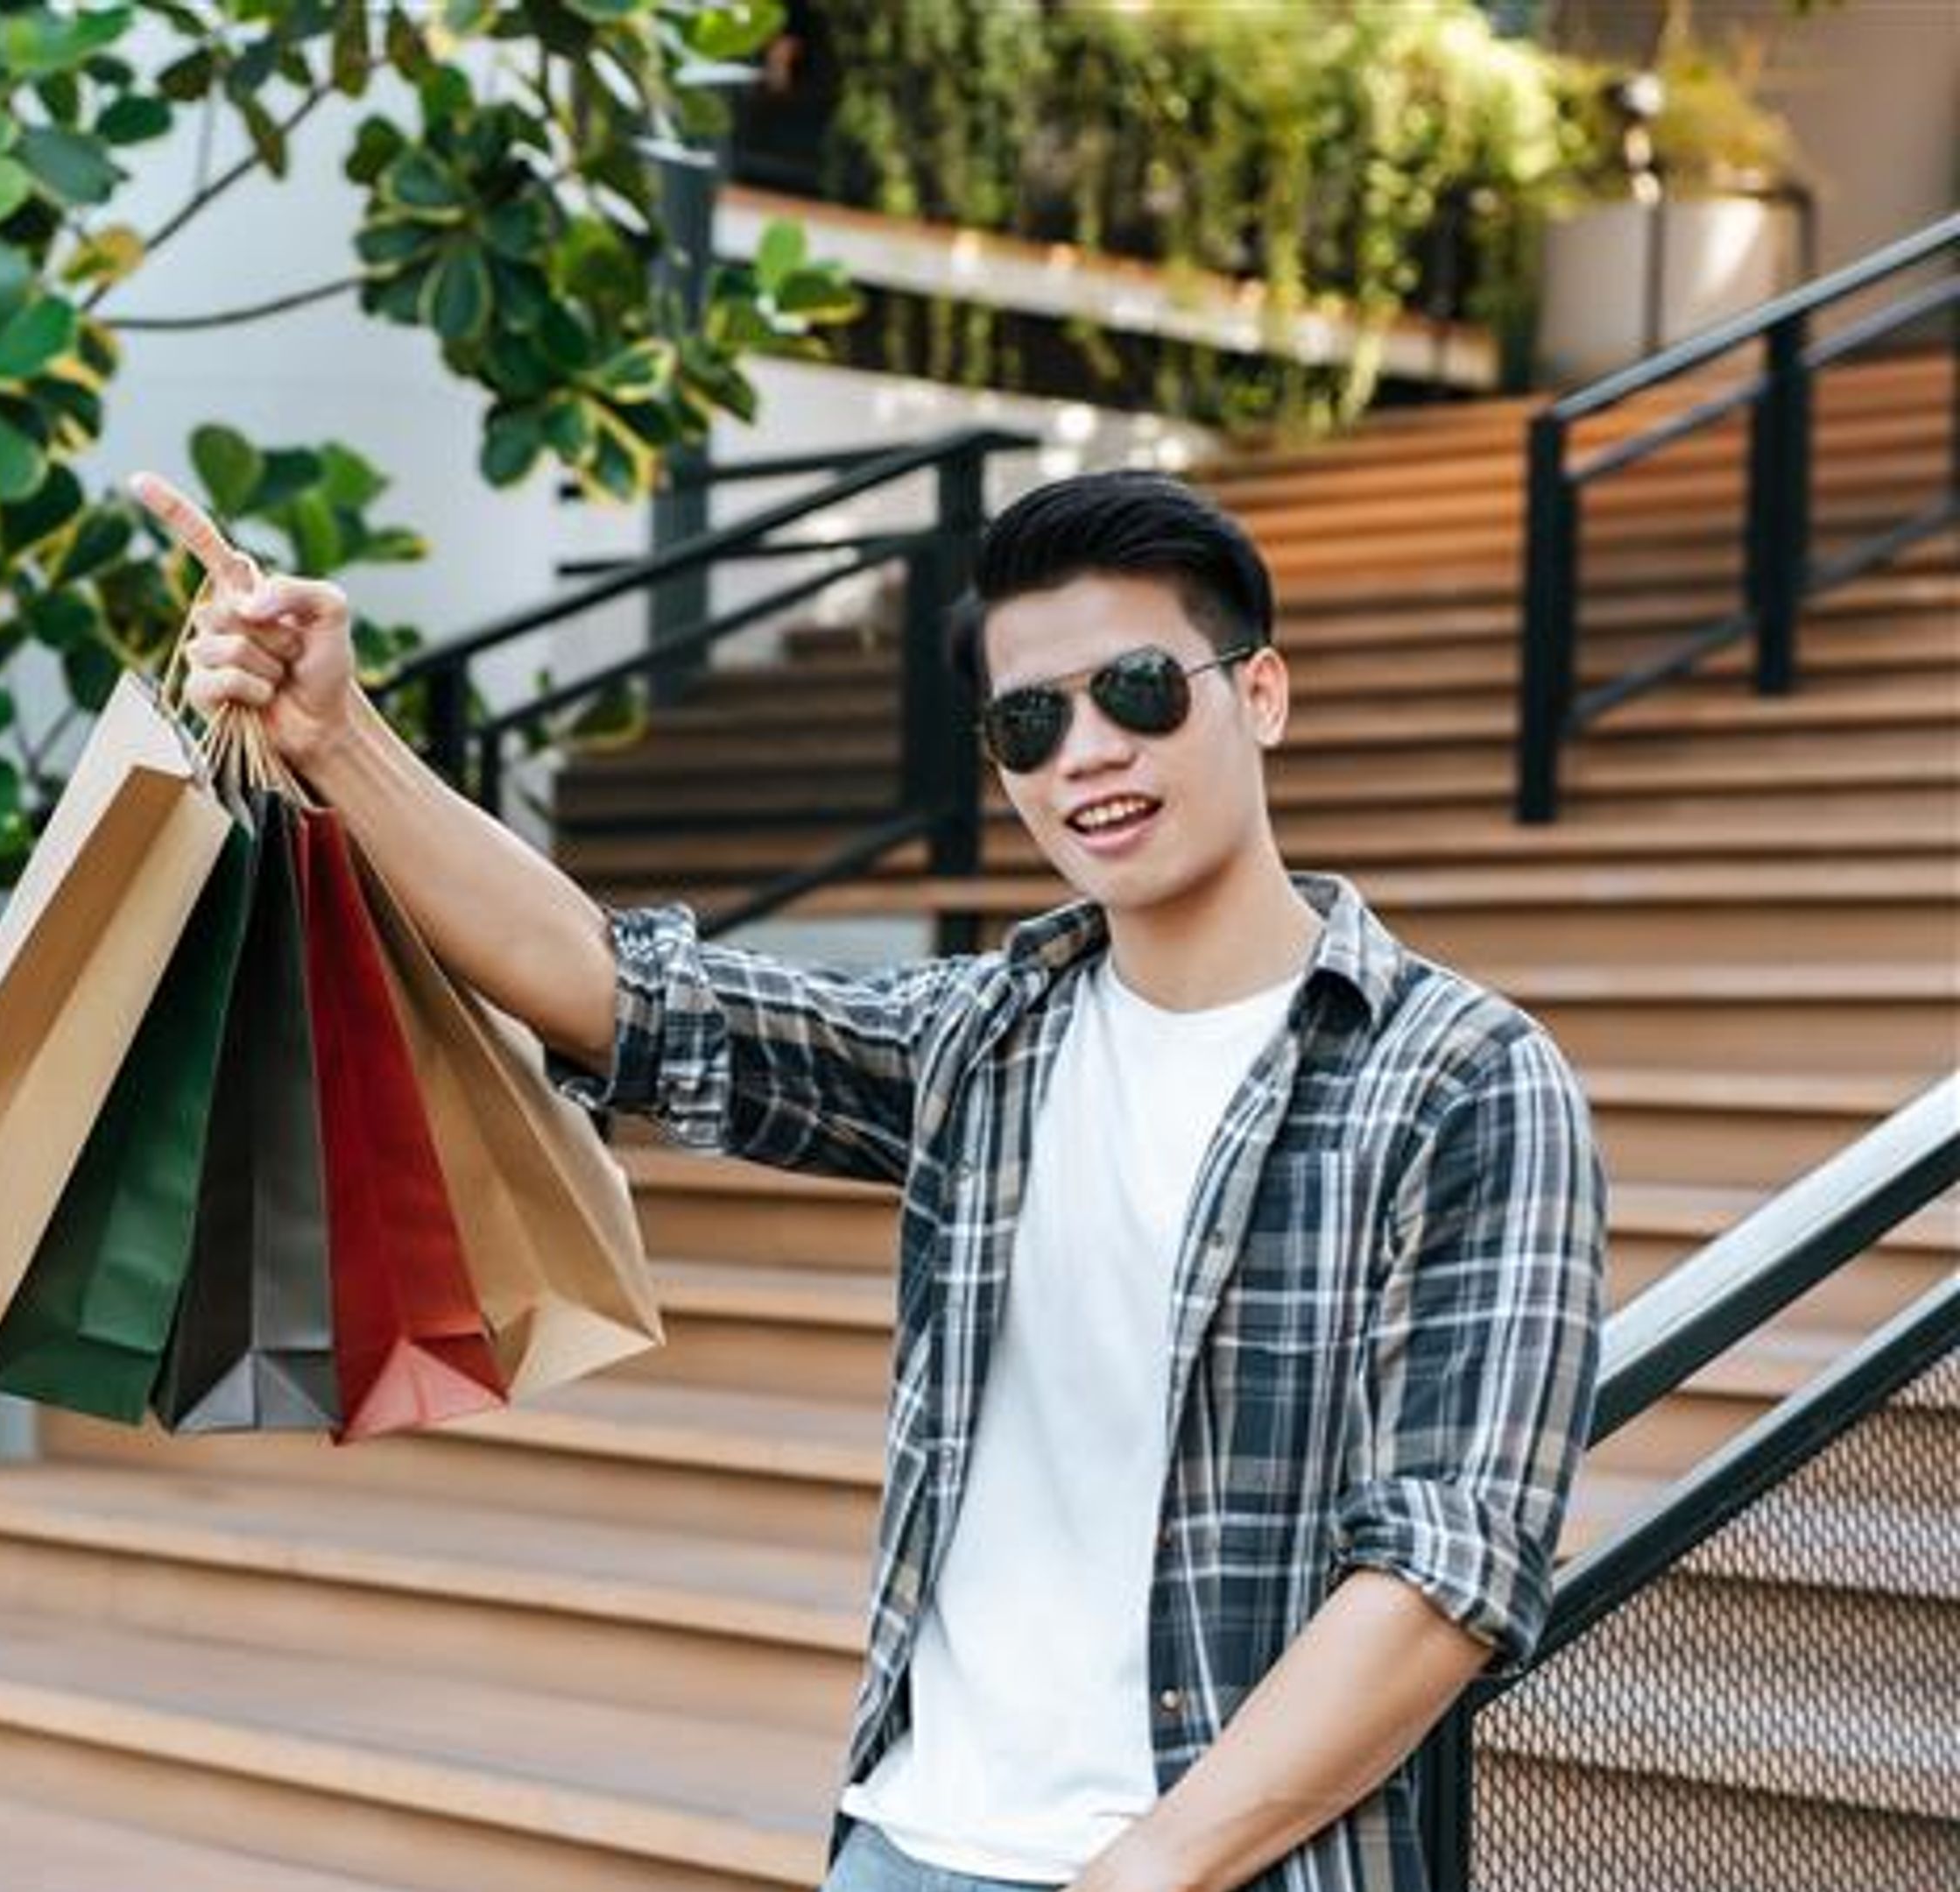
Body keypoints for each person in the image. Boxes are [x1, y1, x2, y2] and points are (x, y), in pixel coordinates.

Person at [139, 464, 1606, 1892]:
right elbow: (616, 995)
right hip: (910, 1843)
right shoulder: (985, 1041)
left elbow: (1442, 1576)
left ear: (1261, 694)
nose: (1085, 753)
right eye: (1029, 724)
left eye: (1140, 692)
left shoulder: (1464, 1080)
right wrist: (336, 740)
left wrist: (1147, 1870)